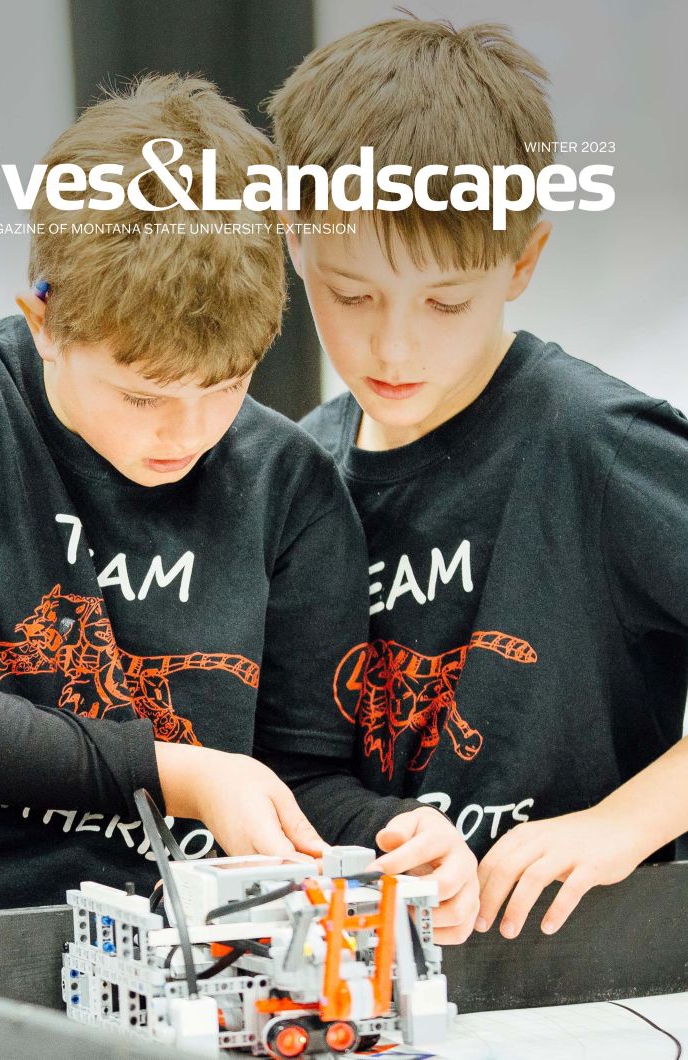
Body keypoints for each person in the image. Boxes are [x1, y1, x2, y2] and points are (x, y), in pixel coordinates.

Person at [0, 74, 476, 927]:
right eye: (142, 395)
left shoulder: (288, 482)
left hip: (192, 963)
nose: (185, 434)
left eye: (225, 387)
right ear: (43, 321)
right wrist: (181, 773)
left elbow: (294, 783)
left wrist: (399, 838)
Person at [269, 17, 688, 940]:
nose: (392, 345)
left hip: (591, 986)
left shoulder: (594, 441)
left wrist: (624, 824)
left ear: (522, 262)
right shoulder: (294, 471)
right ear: (296, 245)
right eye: (351, 293)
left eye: (444, 301)